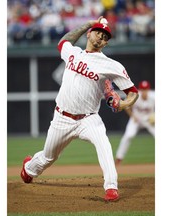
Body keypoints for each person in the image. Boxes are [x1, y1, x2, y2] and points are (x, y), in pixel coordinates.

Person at [20, 16, 139, 202]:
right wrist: (87, 24)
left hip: (88, 119)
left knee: (104, 146)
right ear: (89, 34)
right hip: (62, 118)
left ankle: (111, 187)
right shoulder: (73, 53)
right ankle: (29, 169)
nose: (101, 37)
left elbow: (133, 93)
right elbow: (63, 42)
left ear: (106, 43)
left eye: (105, 36)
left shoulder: (111, 65)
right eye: (98, 32)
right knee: (48, 157)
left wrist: (122, 104)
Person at [115, 80, 155, 165]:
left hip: (149, 120)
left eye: (146, 89)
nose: (144, 91)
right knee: (128, 135)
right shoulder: (135, 95)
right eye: (142, 89)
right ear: (140, 89)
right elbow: (126, 106)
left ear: (148, 90)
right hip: (136, 119)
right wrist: (132, 116)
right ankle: (119, 158)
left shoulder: (153, 96)